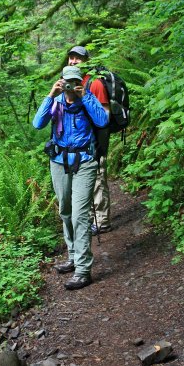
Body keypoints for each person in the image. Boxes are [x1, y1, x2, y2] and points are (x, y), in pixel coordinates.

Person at [32, 65, 108, 290]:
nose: (71, 87)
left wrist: (85, 96)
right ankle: (73, 256)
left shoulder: (87, 98)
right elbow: (38, 124)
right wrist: (50, 95)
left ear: (80, 83)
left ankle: (83, 270)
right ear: (61, 81)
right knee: (65, 210)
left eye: (75, 83)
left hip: (84, 162)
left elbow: (102, 121)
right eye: (67, 82)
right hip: (59, 162)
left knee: (79, 215)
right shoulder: (55, 101)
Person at [68, 46, 112, 234]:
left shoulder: (94, 83)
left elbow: (105, 116)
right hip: (80, 143)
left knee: (98, 179)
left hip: (95, 142)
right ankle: (91, 218)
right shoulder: (72, 82)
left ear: (86, 62)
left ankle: (102, 222)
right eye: (71, 57)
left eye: (78, 58)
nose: (73, 61)